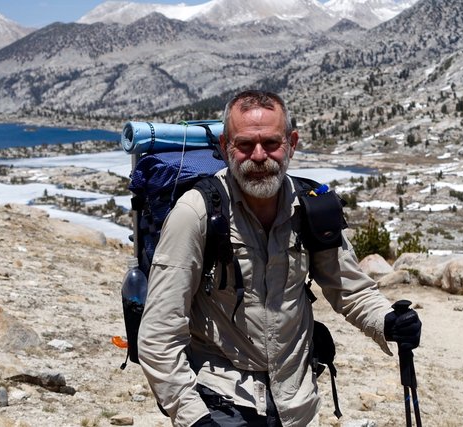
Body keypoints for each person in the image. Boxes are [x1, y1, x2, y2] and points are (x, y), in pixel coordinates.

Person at [137, 90, 421, 427]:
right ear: (226, 144)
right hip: (221, 397)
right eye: (245, 145)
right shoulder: (196, 214)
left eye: (271, 143)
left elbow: (350, 289)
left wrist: (387, 321)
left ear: (292, 142)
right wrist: (193, 415)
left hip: (296, 399)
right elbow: (158, 333)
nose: (259, 156)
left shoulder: (313, 208)